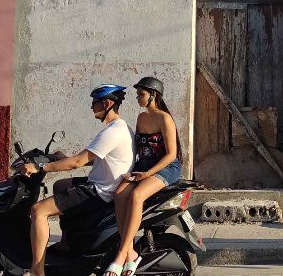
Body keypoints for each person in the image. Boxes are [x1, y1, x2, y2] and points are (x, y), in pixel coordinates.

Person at [19, 84, 135, 276]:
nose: (91, 107)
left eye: (94, 103)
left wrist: (39, 167)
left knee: (38, 210)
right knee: (60, 185)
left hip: (99, 192)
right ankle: (67, 243)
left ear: (106, 103)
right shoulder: (121, 128)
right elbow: (96, 158)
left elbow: (78, 162)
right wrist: (61, 158)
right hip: (105, 185)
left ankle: (37, 271)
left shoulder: (112, 132)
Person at [104, 77, 182, 276]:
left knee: (136, 197)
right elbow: (138, 149)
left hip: (165, 168)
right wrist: (132, 170)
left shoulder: (164, 118)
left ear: (153, 95)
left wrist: (148, 173)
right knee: (120, 194)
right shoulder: (140, 117)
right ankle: (131, 252)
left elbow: (171, 154)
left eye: (141, 94)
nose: (138, 97)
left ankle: (121, 255)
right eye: (138, 94)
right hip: (143, 166)